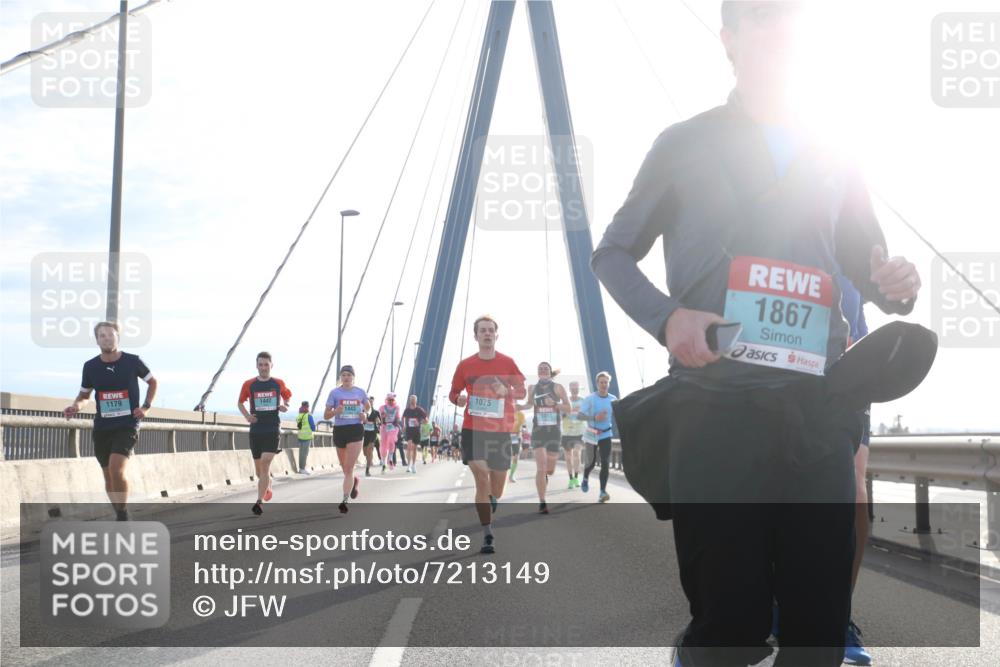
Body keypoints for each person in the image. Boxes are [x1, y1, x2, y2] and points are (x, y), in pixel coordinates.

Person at [589, 3, 921, 664]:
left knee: (819, 629)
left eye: (790, 19)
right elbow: (612, 253)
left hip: (818, 413)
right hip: (717, 411)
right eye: (763, 17)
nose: (781, 31)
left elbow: (869, 263)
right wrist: (668, 318)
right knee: (730, 627)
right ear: (729, 39)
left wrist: (897, 282)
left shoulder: (835, 151)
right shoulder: (683, 144)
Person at [63, 321, 158, 521]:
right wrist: (75, 407)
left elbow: (152, 382)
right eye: (102, 336)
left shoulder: (133, 361)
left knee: (116, 469)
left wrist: (145, 407)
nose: (107, 338)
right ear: (97, 340)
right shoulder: (90, 366)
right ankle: (120, 512)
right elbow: (84, 396)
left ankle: (122, 515)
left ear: (118, 337)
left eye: (110, 334)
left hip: (127, 425)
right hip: (102, 427)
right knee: (108, 476)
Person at [449, 315, 526, 554]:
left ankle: (492, 498)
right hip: (473, 429)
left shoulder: (508, 363)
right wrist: (458, 399)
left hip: (500, 431)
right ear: (476, 336)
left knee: (497, 488)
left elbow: (522, 391)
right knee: (482, 478)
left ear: (496, 335)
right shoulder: (465, 365)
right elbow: (453, 392)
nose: (487, 334)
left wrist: (507, 390)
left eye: (491, 330)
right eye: (482, 330)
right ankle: (487, 534)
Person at [237, 351, 291, 516]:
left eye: (266, 364)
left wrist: (285, 405)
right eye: (260, 364)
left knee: (265, 464)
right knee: (260, 471)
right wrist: (247, 416)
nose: (263, 367)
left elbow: (287, 397)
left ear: (271, 365)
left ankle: (259, 502)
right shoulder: (249, 384)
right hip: (256, 430)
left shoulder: (278, 383)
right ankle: (268, 482)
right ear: (256, 366)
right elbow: (240, 402)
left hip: (272, 428)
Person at [516, 362, 570, 514]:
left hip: (554, 432)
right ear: (538, 372)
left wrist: (556, 404)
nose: (543, 370)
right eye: (540, 368)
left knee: (549, 470)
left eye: (546, 368)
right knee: (541, 467)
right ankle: (542, 502)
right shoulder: (532, 388)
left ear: (550, 372)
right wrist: (520, 407)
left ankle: (546, 475)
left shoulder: (558, 387)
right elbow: (529, 404)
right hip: (538, 431)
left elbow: (569, 408)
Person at [324, 365, 369, 513]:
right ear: (340, 377)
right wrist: (335, 411)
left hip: (355, 430)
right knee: (344, 468)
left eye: (349, 375)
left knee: (349, 468)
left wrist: (365, 415)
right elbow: (326, 415)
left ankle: (344, 500)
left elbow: (367, 408)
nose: (346, 377)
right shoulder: (334, 393)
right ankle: (354, 481)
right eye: (343, 375)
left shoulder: (360, 392)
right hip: (340, 431)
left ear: (353, 377)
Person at [577, 372, 617, 503]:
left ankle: (602, 492)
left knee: (605, 463)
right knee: (591, 462)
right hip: (591, 433)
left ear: (608, 384)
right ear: (597, 384)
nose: (604, 384)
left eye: (606, 382)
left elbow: (618, 415)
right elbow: (579, 416)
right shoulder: (590, 399)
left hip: (606, 434)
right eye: (601, 382)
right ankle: (585, 477)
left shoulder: (613, 399)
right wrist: (595, 417)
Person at [560, 380, 586, 488]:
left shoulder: (583, 401)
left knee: (576, 453)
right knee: (568, 457)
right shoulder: (564, 402)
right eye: (572, 388)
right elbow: (560, 417)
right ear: (570, 389)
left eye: (576, 388)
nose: (574, 390)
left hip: (579, 432)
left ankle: (576, 478)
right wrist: (566, 412)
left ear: (578, 389)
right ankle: (571, 479)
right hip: (566, 432)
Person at [402, 395, 428, 474]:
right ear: (409, 400)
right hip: (409, 430)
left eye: (413, 400)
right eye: (411, 399)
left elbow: (426, 420)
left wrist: (419, 422)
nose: (412, 401)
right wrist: (404, 425)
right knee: (409, 446)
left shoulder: (419, 409)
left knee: (414, 448)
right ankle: (408, 465)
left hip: (416, 431)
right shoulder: (407, 410)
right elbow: (403, 418)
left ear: (416, 401)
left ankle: (413, 465)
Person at [379, 393, 402, 473]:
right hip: (385, 427)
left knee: (391, 441)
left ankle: (390, 458)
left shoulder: (397, 408)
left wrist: (397, 422)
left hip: (393, 427)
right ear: (387, 400)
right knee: (383, 446)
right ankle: (383, 463)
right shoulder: (382, 407)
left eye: (392, 400)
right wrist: (383, 417)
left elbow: (398, 417)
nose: (391, 401)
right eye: (389, 400)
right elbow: (381, 419)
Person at [363, 396, 382, 477]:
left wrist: (378, 422)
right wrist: (364, 420)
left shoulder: (376, 412)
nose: (370, 403)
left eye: (371, 402)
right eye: (369, 401)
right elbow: (359, 421)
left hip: (373, 433)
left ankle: (367, 470)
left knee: (370, 448)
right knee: (365, 452)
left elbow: (380, 423)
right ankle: (369, 459)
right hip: (365, 433)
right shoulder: (363, 411)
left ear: (373, 402)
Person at [296, 401, 316, 474]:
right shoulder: (309, 416)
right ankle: (302, 469)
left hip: (300, 436)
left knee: (301, 453)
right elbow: (313, 427)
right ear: (307, 407)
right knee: (304, 453)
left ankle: (301, 468)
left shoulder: (299, 415)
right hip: (307, 437)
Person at [509, 410, 525, 482]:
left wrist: (522, 430)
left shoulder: (521, 414)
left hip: (516, 436)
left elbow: (524, 426)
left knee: (515, 457)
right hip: (505, 435)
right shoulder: (506, 411)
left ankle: (511, 475)